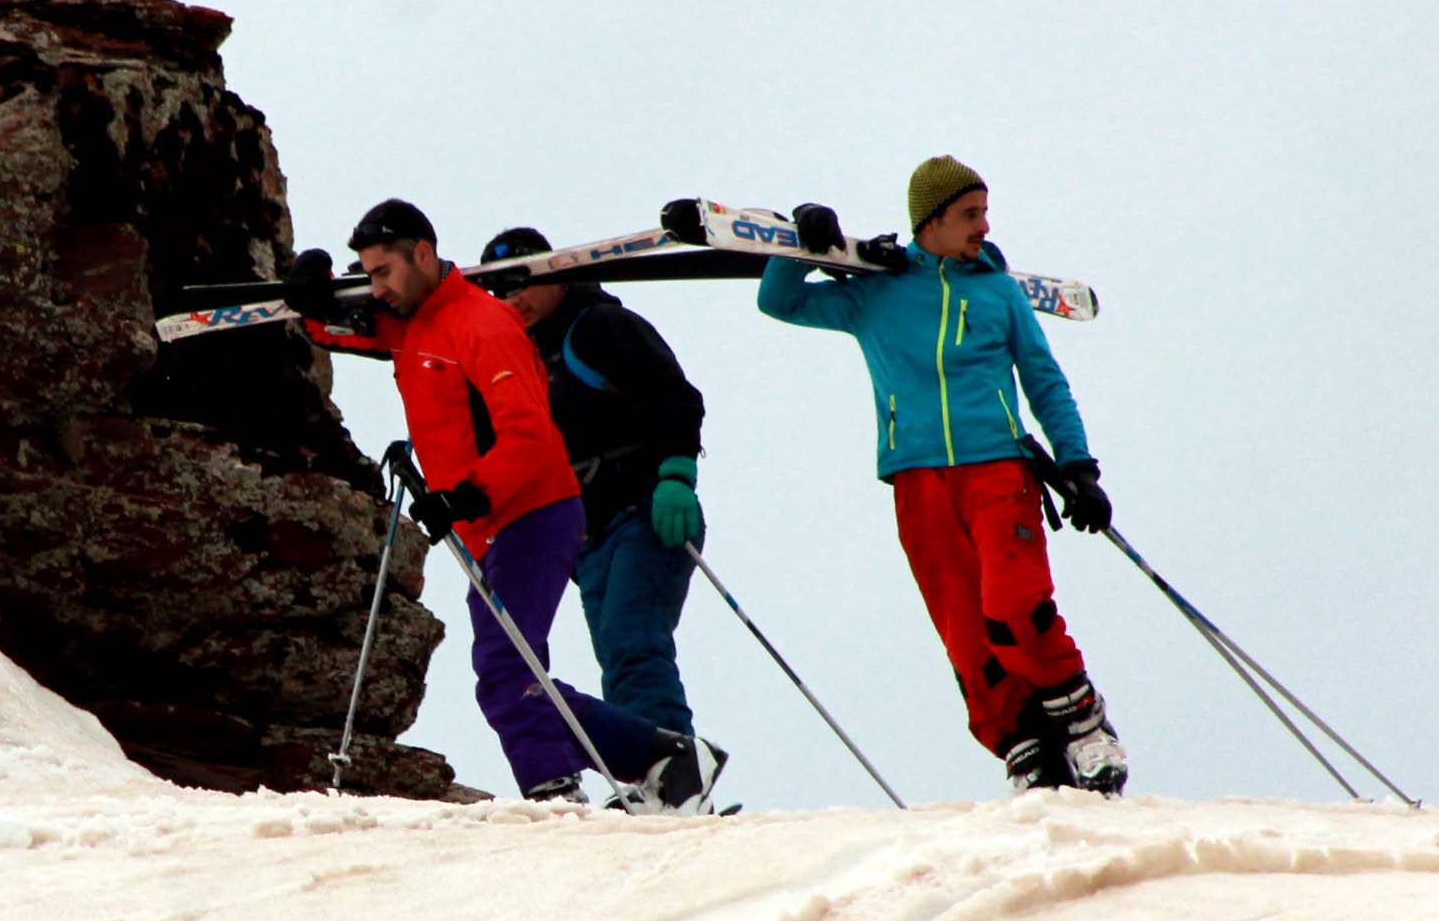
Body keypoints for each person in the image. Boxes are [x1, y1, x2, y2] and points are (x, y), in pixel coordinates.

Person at [283, 199, 721, 809]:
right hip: (527, 522)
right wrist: (313, 303)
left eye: (384, 272)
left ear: (423, 255)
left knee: (556, 656)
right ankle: (662, 759)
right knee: (512, 673)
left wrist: (675, 473)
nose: (377, 287)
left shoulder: (491, 325)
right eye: (370, 275)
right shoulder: (419, 326)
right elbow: (356, 331)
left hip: (551, 509)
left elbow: (532, 433)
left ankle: (574, 786)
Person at [714, 156, 1128, 794]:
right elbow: (780, 302)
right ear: (930, 221)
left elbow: (1045, 382)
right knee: (964, 630)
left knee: (1015, 604)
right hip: (918, 480)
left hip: (998, 470)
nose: (984, 226)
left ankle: (1082, 724)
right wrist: (802, 246)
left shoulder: (999, 293)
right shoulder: (878, 292)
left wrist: (1078, 465)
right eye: (970, 214)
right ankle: (1023, 746)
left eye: (985, 212)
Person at [475, 226, 707, 741]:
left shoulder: (600, 326)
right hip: (583, 536)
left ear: (558, 275)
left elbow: (673, 397)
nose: (513, 299)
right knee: (615, 652)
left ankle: (670, 758)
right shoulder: (509, 360)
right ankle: (651, 761)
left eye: (522, 282)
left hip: (647, 512)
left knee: (631, 639)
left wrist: (677, 476)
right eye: (499, 290)